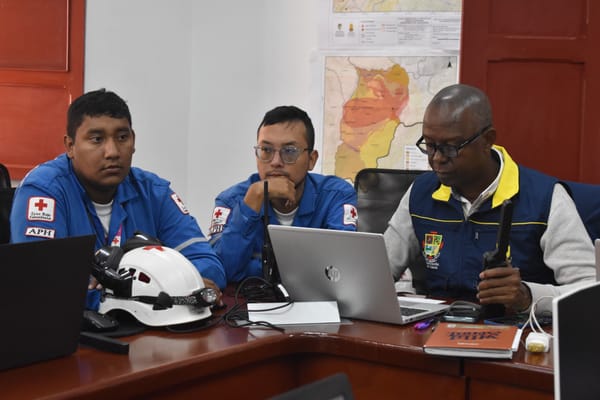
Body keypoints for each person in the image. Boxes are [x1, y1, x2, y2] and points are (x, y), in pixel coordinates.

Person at [383, 83, 596, 315]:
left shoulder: (546, 199)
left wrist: (527, 296)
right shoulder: (421, 193)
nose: (436, 159)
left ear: (487, 140)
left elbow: (589, 292)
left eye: (450, 147)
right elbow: (378, 270)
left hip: (515, 332)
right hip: (434, 330)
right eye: (430, 145)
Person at [10, 89, 226, 309]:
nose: (112, 152)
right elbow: (43, 283)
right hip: (71, 334)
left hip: (149, 328)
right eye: (97, 139)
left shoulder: (153, 191)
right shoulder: (44, 190)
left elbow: (208, 265)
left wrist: (147, 291)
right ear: (70, 146)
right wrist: (165, 290)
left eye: (122, 137)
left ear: (133, 141)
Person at [209, 105, 358, 283]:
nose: (276, 162)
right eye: (266, 150)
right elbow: (221, 271)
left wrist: (255, 269)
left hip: (315, 306)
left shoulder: (336, 195)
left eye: (289, 151)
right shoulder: (232, 200)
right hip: (249, 306)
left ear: (311, 160)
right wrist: (255, 198)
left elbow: (340, 268)